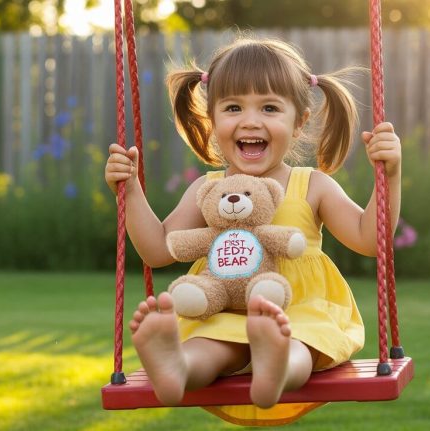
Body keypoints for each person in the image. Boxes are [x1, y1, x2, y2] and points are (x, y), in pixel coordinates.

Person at [104, 36, 401, 419]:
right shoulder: (206, 190)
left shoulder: (312, 185)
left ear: (299, 123)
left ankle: (274, 365)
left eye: (270, 107)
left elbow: (370, 239)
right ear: (213, 121)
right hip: (222, 305)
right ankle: (176, 367)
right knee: (208, 346)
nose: (250, 120)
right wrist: (128, 192)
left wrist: (389, 175)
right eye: (232, 107)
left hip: (298, 310)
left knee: (298, 345)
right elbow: (158, 249)